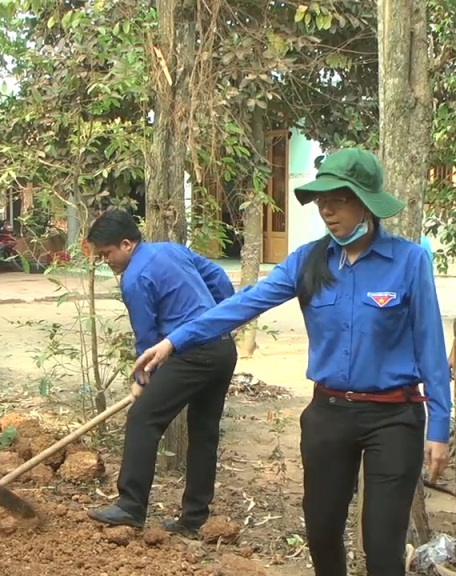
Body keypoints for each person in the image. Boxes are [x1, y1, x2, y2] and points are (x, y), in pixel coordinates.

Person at [132, 149, 451, 576]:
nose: (326, 209)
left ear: (366, 204)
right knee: (321, 530)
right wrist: (174, 341)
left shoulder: (409, 261)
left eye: (339, 199)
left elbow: (430, 344)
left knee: (382, 544)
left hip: (394, 416)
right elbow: (243, 305)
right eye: (322, 199)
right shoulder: (308, 260)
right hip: (329, 414)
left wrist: (439, 425)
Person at [83, 210, 237, 536]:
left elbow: (146, 338)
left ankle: (130, 505)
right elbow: (219, 280)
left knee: (143, 418)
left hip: (193, 354)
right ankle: (193, 519)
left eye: (107, 253)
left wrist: (142, 379)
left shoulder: (135, 279)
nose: (105, 261)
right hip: (222, 348)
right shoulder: (172, 249)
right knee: (204, 432)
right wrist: (219, 319)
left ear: (127, 244)